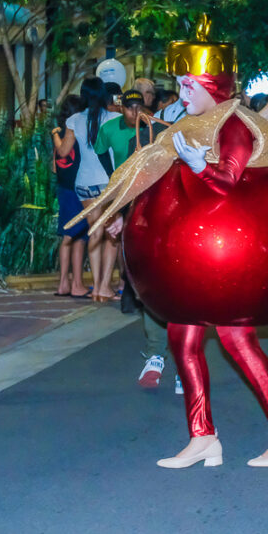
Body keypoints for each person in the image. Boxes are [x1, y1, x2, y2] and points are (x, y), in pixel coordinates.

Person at [94, 89, 172, 387]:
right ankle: (155, 353)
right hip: (129, 203)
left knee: (172, 284)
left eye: (140, 105)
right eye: (130, 107)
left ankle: (181, 359)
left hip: (160, 208)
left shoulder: (160, 131)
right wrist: (118, 209)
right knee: (142, 280)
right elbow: (104, 154)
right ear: (121, 109)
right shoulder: (111, 130)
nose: (135, 111)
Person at [56, 77, 119, 302]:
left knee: (95, 232)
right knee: (112, 235)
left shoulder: (74, 120)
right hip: (106, 183)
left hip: (83, 184)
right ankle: (104, 286)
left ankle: (96, 288)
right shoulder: (114, 117)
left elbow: (63, 152)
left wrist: (55, 134)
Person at [49, 96, 90, 298]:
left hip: (63, 189)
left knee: (69, 235)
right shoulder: (78, 131)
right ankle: (76, 285)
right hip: (78, 188)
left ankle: (65, 283)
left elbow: (54, 167)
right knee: (77, 237)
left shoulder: (59, 132)